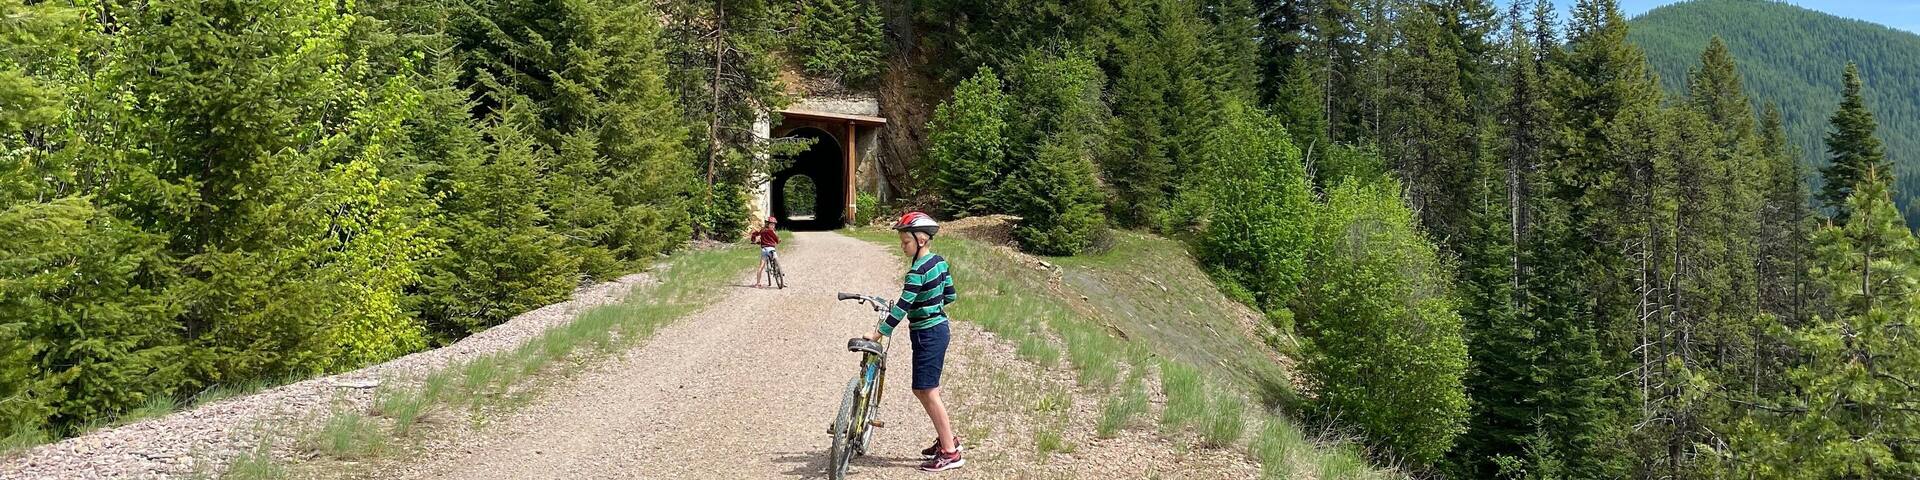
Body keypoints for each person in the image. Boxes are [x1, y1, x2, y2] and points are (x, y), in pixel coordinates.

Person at [862, 211, 964, 472]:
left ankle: (951, 453)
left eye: (905, 241)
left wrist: (878, 333)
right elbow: (950, 296)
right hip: (937, 329)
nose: (902, 246)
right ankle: (947, 439)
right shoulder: (939, 263)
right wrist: (932, 304)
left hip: (928, 333)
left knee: (928, 391)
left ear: (921, 240)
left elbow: (902, 308)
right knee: (922, 389)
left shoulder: (917, 271)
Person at [749, 216, 780, 288]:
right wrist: (778, 241)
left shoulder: (762, 231)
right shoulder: (771, 231)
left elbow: (754, 234)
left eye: (773, 224)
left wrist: (754, 240)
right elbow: (776, 239)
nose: (773, 226)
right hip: (771, 249)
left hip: (764, 249)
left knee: (761, 266)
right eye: (772, 224)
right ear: (768, 224)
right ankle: (780, 276)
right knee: (777, 261)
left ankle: (758, 283)